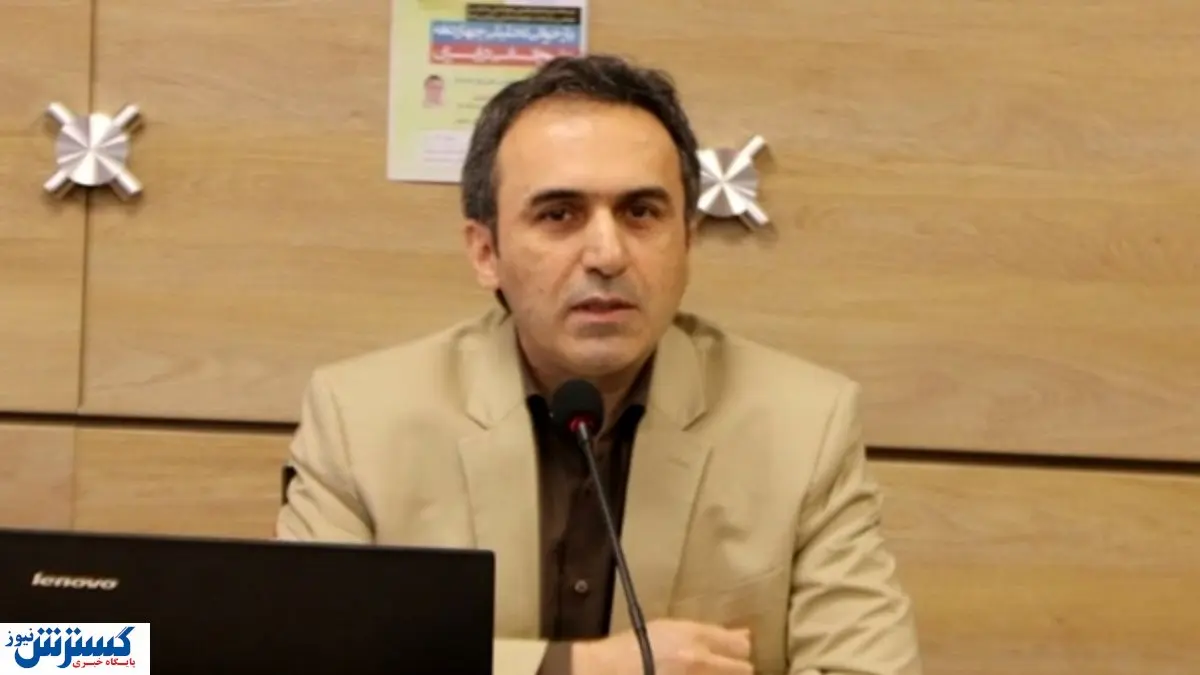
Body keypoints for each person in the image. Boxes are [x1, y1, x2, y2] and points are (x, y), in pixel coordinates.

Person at [276, 54, 922, 675]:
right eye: (559, 215)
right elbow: (305, 660)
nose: (607, 254)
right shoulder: (360, 420)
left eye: (641, 213)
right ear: (486, 252)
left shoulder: (805, 425)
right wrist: (583, 667)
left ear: (687, 241)